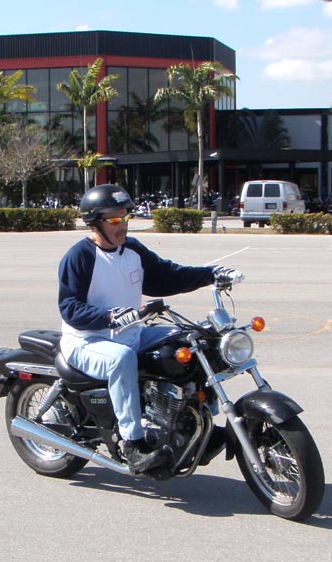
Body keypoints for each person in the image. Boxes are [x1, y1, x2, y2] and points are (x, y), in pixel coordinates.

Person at [58, 185, 239, 473]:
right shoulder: (80, 256)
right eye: (114, 219)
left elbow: (168, 276)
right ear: (94, 222)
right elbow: (70, 308)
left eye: (125, 217)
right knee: (121, 359)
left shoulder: (131, 249)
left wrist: (211, 274)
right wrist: (110, 316)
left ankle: (201, 420)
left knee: (194, 340)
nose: (122, 225)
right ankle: (133, 444)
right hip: (86, 341)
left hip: (132, 333)